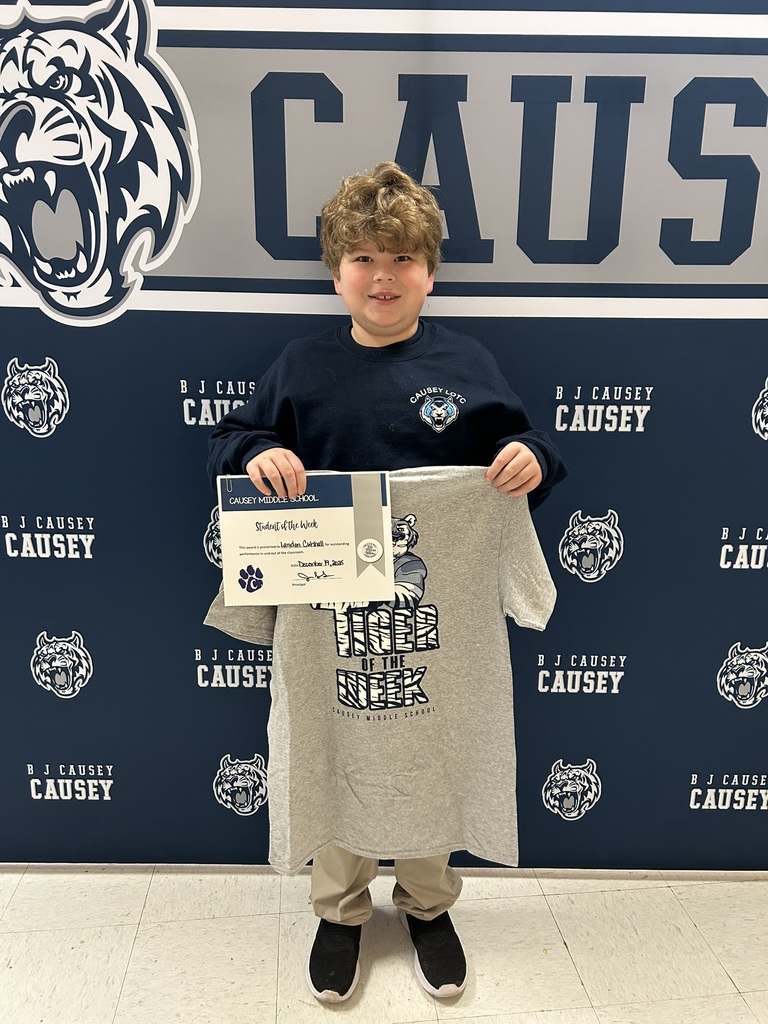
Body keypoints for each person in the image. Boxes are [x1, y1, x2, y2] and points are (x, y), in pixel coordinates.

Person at [207, 162, 567, 1003]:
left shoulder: (468, 361)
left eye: (402, 259)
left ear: (429, 272)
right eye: (364, 258)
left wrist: (531, 461)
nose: (383, 276)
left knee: (431, 749)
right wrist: (258, 452)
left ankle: (428, 903)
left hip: (436, 618)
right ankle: (340, 912)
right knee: (336, 745)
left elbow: (528, 458)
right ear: (337, 272)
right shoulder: (300, 366)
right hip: (328, 614)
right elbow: (232, 436)